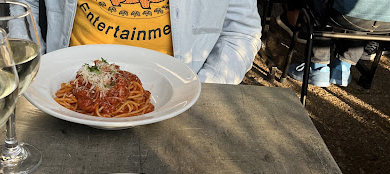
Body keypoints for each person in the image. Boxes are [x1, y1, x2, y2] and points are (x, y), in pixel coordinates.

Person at [24, 0, 262, 84]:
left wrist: (199, 90)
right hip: (66, 91)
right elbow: (23, 5)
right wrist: (36, 72)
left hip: (177, 101)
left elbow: (240, 32)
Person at [277, 0, 390, 87]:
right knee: (365, 11)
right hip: (386, 24)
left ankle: (318, 67)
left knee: (324, 10)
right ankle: (343, 68)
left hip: (342, 15)